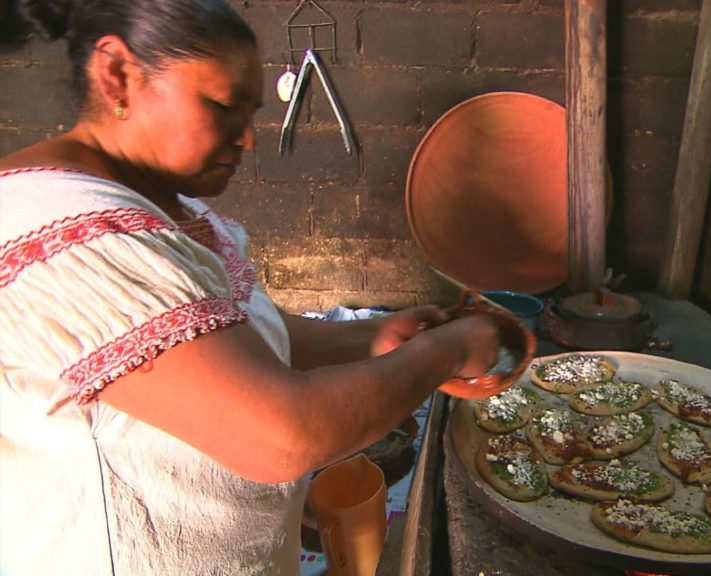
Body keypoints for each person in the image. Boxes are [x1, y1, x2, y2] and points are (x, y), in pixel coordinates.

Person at [0, 1, 506, 574]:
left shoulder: (165, 207)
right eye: (221, 106)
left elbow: (240, 333)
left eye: (253, 113)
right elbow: (280, 435)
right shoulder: (71, 235)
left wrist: (373, 336)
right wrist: (445, 353)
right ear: (117, 74)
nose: (248, 140)